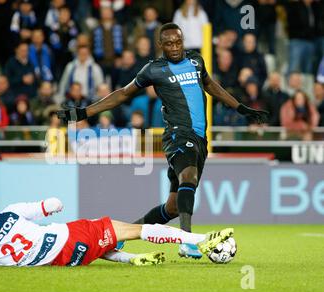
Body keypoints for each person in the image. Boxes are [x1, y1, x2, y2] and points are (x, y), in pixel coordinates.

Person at [58, 23, 268, 259]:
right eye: (169, 44)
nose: (175, 47)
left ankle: (118, 235)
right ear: (161, 45)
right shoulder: (154, 70)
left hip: (200, 138)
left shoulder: (197, 61)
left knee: (173, 206)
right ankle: (187, 242)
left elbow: (210, 85)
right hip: (178, 134)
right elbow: (123, 93)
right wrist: (85, 112)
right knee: (189, 176)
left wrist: (240, 107)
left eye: (178, 42)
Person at [0, 188, 233, 268]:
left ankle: (130, 261)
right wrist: (50, 205)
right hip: (71, 237)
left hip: (64, 261)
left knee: (101, 241)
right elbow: (53, 205)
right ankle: (201, 239)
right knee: (131, 228)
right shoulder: (11, 213)